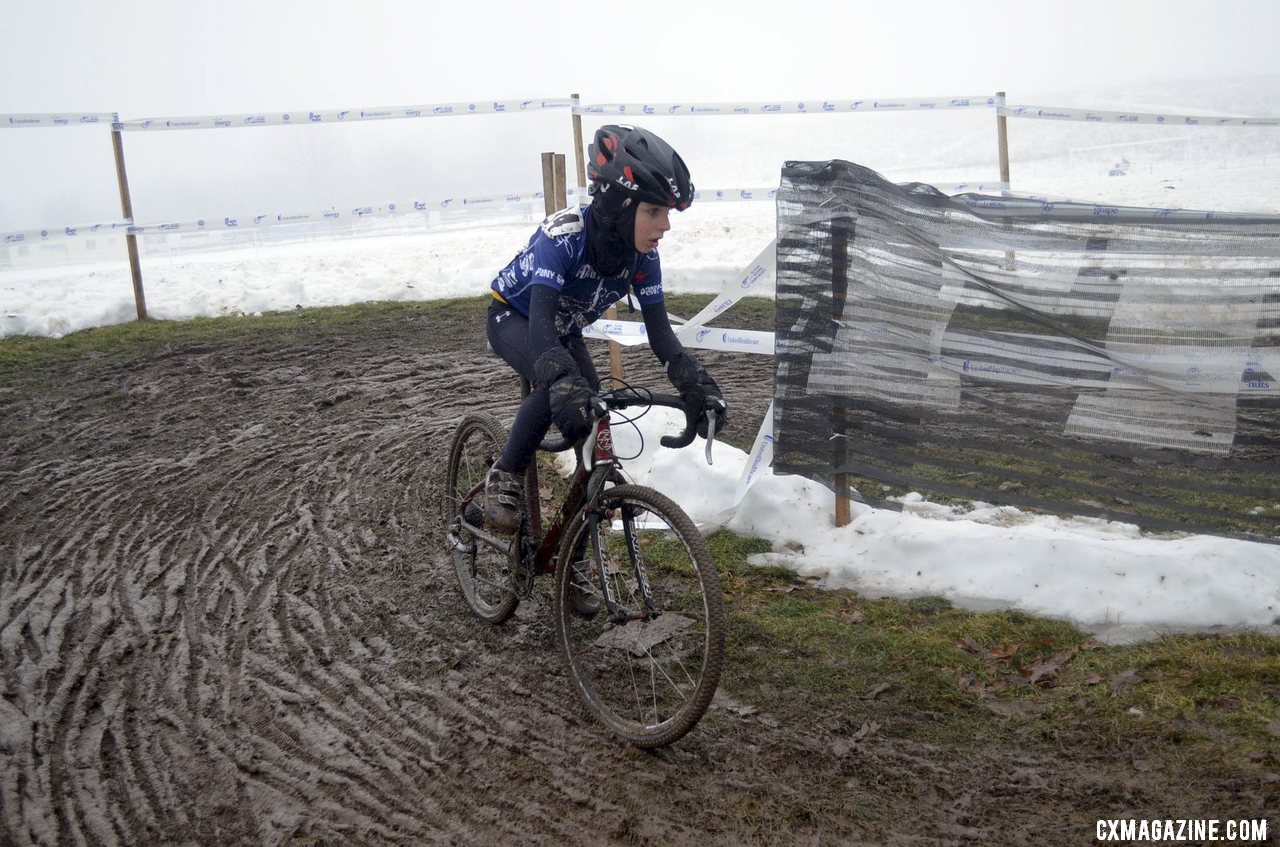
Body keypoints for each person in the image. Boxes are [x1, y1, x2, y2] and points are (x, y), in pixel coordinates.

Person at [483, 124, 728, 534]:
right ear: (617, 206)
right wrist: (561, 377)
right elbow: (542, 328)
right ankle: (504, 475)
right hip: (516, 317)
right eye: (654, 211)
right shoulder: (563, 238)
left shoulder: (642, 256)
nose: (664, 225)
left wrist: (695, 384)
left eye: (666, 213)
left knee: (591, 417)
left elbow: (661, 335)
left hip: (563, 329)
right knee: (555, 385)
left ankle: (574, 559)